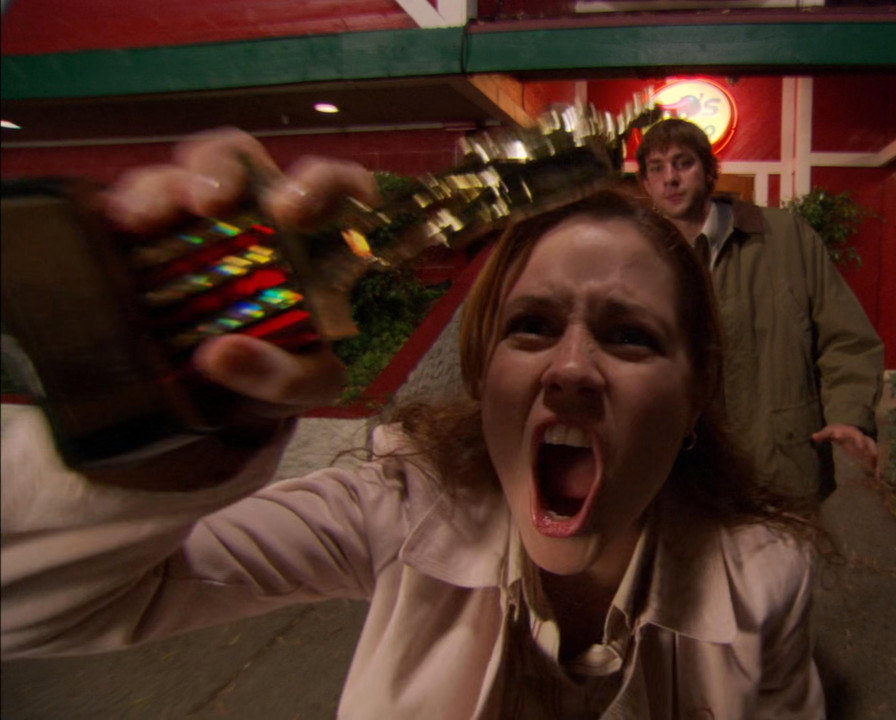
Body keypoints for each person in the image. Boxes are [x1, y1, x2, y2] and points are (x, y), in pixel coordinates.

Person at [0, 129, 825, 718]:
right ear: (483, 375)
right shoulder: (398, 510)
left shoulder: (764, 580)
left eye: (630, 335)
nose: (570, 368)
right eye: (531, 326)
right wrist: (155, 432)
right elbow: (33, 606)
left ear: (695, 392)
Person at [637, 118, 885, 501]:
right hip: (682, 476)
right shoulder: (640, 259)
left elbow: (847, 339)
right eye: (657, 168)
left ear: (709, 171)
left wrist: (849, 415)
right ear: (646, 184)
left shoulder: (784, 237)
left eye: (683, 163)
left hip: (782, 466)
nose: (670, 178)